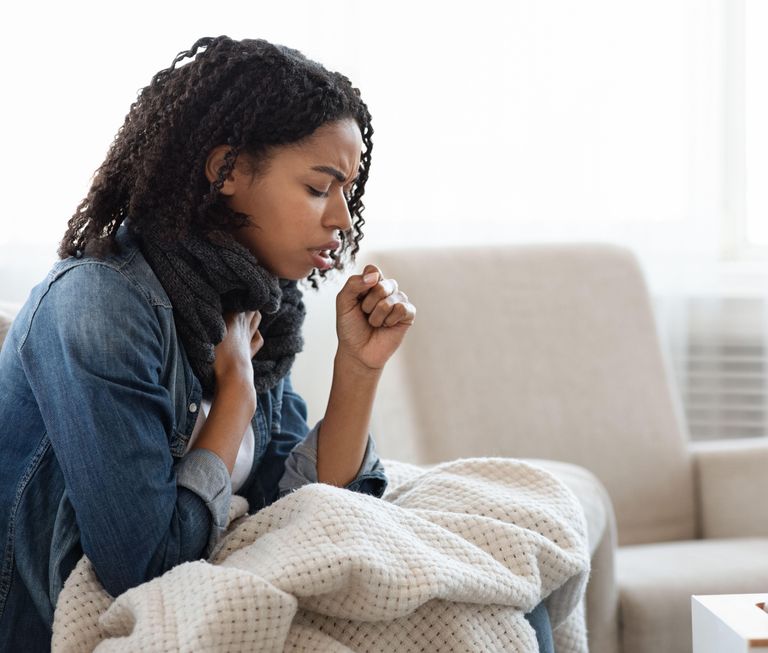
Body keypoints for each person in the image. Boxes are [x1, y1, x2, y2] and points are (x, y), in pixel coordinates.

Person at [0, 36, 553, 652]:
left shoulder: (254, 302)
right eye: (319, 188)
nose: (342, 219)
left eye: (347, 193)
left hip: (203, 584)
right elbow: (144, 564)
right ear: (228, 171)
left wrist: (358, 368)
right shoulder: (100, 306)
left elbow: (294, 504)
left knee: (503, 594)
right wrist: (235, 395)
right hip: (68, 623)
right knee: (480, 619)